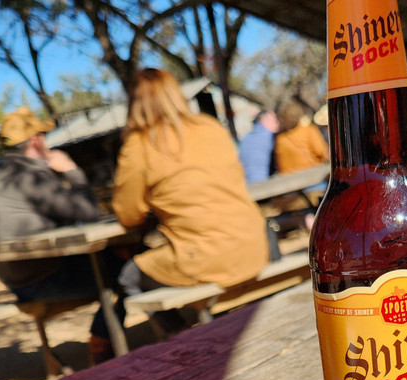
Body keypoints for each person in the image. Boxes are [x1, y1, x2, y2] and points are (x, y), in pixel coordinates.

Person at [111, 68, 269, 332]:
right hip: (255, 245)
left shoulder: (139, 144)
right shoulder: (210, 126)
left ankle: (181, 339)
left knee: (128, 275)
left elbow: (128, 215)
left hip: (207, 257)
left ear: (134, 103)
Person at [0, 106, 116, 364]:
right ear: (35, 140)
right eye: (43, 135)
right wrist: (73, 171)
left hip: (19, 282)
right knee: (126, 267)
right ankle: (104, 341)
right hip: (43, 281)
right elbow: (89, 212)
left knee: (116, 262)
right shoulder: (31, 176)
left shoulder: (4, 177)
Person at [273, 100, 328, 177]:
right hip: (311, 177)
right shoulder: (308, 130)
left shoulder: (279, 137)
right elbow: (322, 152)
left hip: (287, 181)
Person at [238, 109, 278, 184]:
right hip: (264, 185)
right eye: (274, 121)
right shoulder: (269, 136)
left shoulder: (246, 138)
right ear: (264, 121)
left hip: (248, 186)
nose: (277, 125)